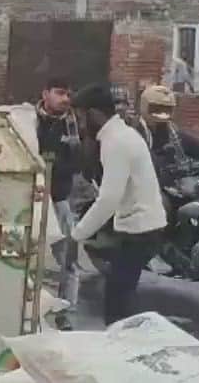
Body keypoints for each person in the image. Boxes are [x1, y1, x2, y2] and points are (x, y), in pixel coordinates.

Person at [69, 83, 167, 326]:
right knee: (121, 291)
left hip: (140, 228)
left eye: (81, 117)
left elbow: (109, 199)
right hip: (143, 224)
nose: (80, 124)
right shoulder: (121, 135)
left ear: (94, 114)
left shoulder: (116, 143)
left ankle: (129, 346)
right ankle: (130, 343)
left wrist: (77, 233)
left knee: (118, 299)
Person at [34, 78, 83, 328]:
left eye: (68, 94)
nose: (65, 98)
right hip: (32, 198)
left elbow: (79, 161)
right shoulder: (30, 120)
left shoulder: (74, 125)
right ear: (45, 93)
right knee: (28, 257)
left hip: (60, 200)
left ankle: (66, 314)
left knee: (68, 259)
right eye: (60, 93)